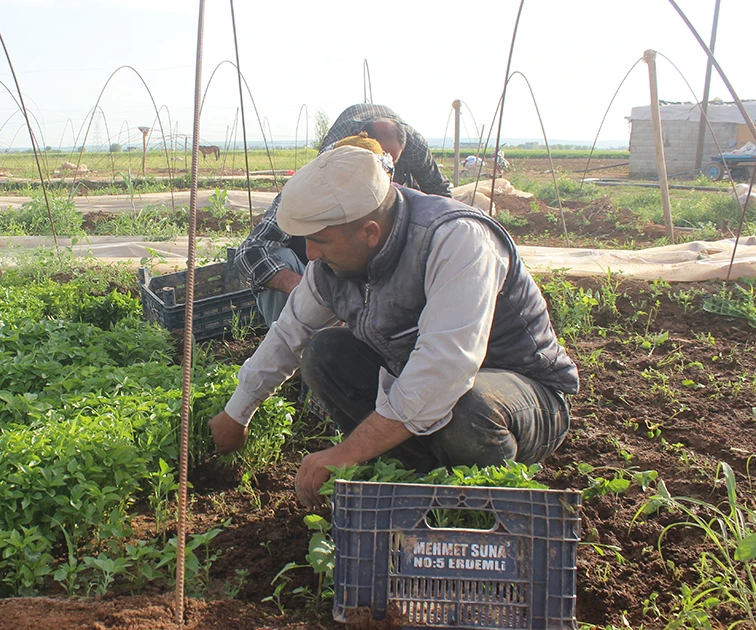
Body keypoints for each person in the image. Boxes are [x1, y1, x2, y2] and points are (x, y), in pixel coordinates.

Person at [208, 139, 579, 510]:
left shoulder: (455, 239)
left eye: (320, 241)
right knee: (324, 353)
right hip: (429, 386)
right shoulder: (334, 265)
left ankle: (484, 510)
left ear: (369, 232)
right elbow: (290, 333)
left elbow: (444, 370)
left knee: (468, 405)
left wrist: (345, 453)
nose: (310, 255)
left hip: (523, 396)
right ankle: (413, 482)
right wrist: (237, 412)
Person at [237, 104, 452, 327]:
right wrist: (307, 293)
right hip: (316, 284)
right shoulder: (312, 189)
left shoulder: (401, 201)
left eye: (386, 167)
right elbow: (249, 252)